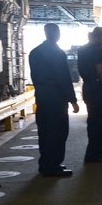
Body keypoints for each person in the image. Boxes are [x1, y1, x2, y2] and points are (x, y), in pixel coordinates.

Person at [28, 23, 79, 177]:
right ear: (54, 34)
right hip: (56, 96)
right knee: (58, 131)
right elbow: (63, 77)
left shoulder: (35, 52)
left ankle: (46, 163)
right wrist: (73, 100)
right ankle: (53, 165)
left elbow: (34, 76)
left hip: (42, 95)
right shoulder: (57, 53)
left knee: (44, 131)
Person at [76, 27, 102, 163]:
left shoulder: (82, 49)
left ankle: (94, 152)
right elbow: (101, 72)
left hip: (88, 87)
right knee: (101, 122)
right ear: (100, 37)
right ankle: (96, 153)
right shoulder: (98, 50)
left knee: (93, 121)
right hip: (100, 89)